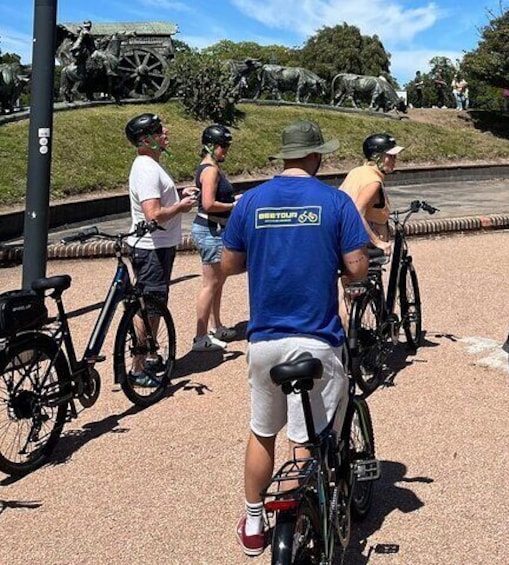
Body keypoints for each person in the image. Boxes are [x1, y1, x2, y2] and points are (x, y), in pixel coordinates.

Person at [221, 120, 369, 557]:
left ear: (283, 156)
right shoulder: (334, 202)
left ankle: (252, 522)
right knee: (305, 437)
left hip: (265, 339)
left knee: (262, 431)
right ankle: (302, 510)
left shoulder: (251, 202)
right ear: (317, 155)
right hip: (317, 338)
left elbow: (229, 263)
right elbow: (357, 267)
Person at [125, 113, 196, 385]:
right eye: (158, 131)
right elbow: (152, 214)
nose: (165, 132)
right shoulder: (145, 167)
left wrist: (179, 195)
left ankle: (149, 356)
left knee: (153, 305)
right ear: (146, 140)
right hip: (151, 248)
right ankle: (137, 368)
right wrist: (181, 206)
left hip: (160, 246)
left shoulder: (151, 165)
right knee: (148, 308)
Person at [190, 124, 239, 352]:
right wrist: (234, 205)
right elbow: (208, 204)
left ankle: (216, 326)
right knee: (210, 284)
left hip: (213, 229)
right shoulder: (210, 170)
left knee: (218, 282)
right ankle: (201, 337)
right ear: (211, 145)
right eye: (223, 146)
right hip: (210, 230)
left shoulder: (207, 167)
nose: (225, 151)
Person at [339, 133, 404, 254]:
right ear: (376, 156)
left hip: (344, 242)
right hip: (363, 248)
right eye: (391, 156)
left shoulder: (357, 172)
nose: (395, 160)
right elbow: (356, 212)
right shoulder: (373, 182)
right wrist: (378, 242)